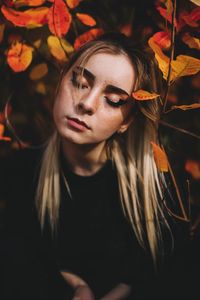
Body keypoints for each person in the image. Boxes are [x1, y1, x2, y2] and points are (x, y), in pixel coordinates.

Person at [0, 32, 181, 300]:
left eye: (114, 100)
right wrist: (70, 284)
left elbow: (160, 277)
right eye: (80, 82)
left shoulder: (153, 190)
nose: (86, 103)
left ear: (126, 122)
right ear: (61, 81)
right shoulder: (17, 174)